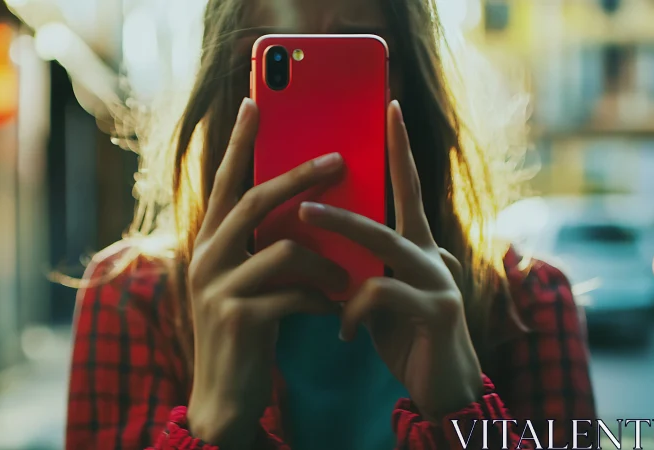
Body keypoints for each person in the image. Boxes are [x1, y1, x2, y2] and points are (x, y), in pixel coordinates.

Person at [65, 0, 597, 449]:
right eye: (272, 57)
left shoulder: (531, 302)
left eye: (346, 55)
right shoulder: (130, 297)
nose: (311, 107)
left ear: (408, 78)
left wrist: (462, 407)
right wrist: (213, 425)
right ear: (231, 87)